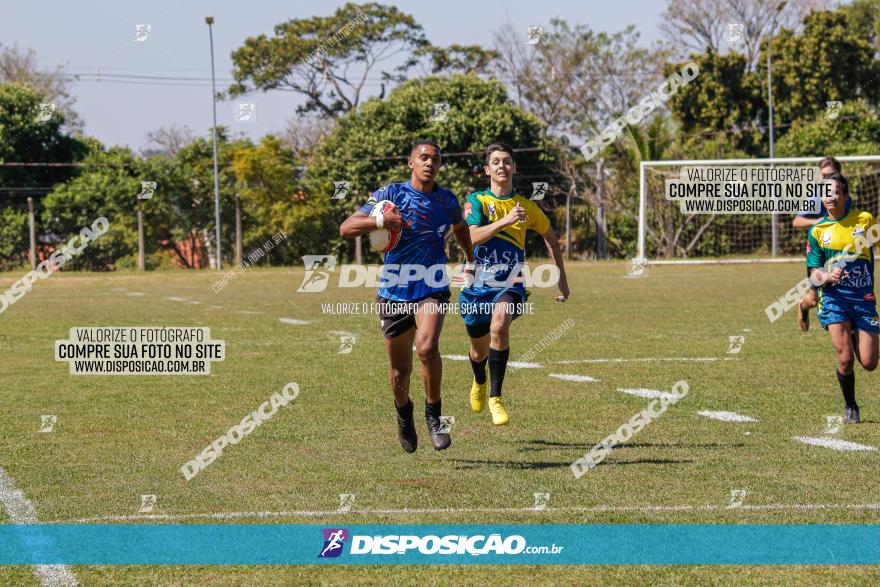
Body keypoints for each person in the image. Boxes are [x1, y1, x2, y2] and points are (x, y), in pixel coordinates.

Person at [339, 141, 475, 452]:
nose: (430, 163)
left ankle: (434, 417)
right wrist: (381, 221)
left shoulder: (446, 200)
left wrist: (469, 257)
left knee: (427, 347)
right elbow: (346, 228)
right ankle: (404, 414)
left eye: (436, 159)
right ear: (410, 162)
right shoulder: (391, 195)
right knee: (400, 372)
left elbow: (461, 226)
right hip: (394, 291)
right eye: (424, 157)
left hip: (432, 286)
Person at [457, 143, 570, 426]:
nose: (502, 166)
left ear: (514, 168)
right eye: (495, 162)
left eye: (507, 161)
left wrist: (562, 281)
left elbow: (552, 239)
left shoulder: (527, 207)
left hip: (510, 283)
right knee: (477, 351)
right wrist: (505, 221)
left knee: (499, 324)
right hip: (475, 285)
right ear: (487, 170)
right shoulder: (477, 201)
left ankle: (496, 397)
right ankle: (479, 380)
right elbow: (469, 238)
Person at [806, 174, 879, 424]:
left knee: (869, 363)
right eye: (826, 192)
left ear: (845, 196)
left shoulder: (864, 220)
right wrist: (826, 275)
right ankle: (851, 406)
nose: (830, 197)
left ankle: (857, 333)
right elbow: (813, 273)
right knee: (845, 359)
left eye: (836, 192)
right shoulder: (817, 231)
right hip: (834, 300)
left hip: (864, 300)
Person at [795, 156, 843, 330]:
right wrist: (818, 222)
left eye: (830, 175)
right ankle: (803, 305)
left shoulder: (844, 196)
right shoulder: (816, 198)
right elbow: (797, 221)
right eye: (822, 176)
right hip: (818, 253)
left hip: (838, 252)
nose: (825, 179)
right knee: (813, 300)